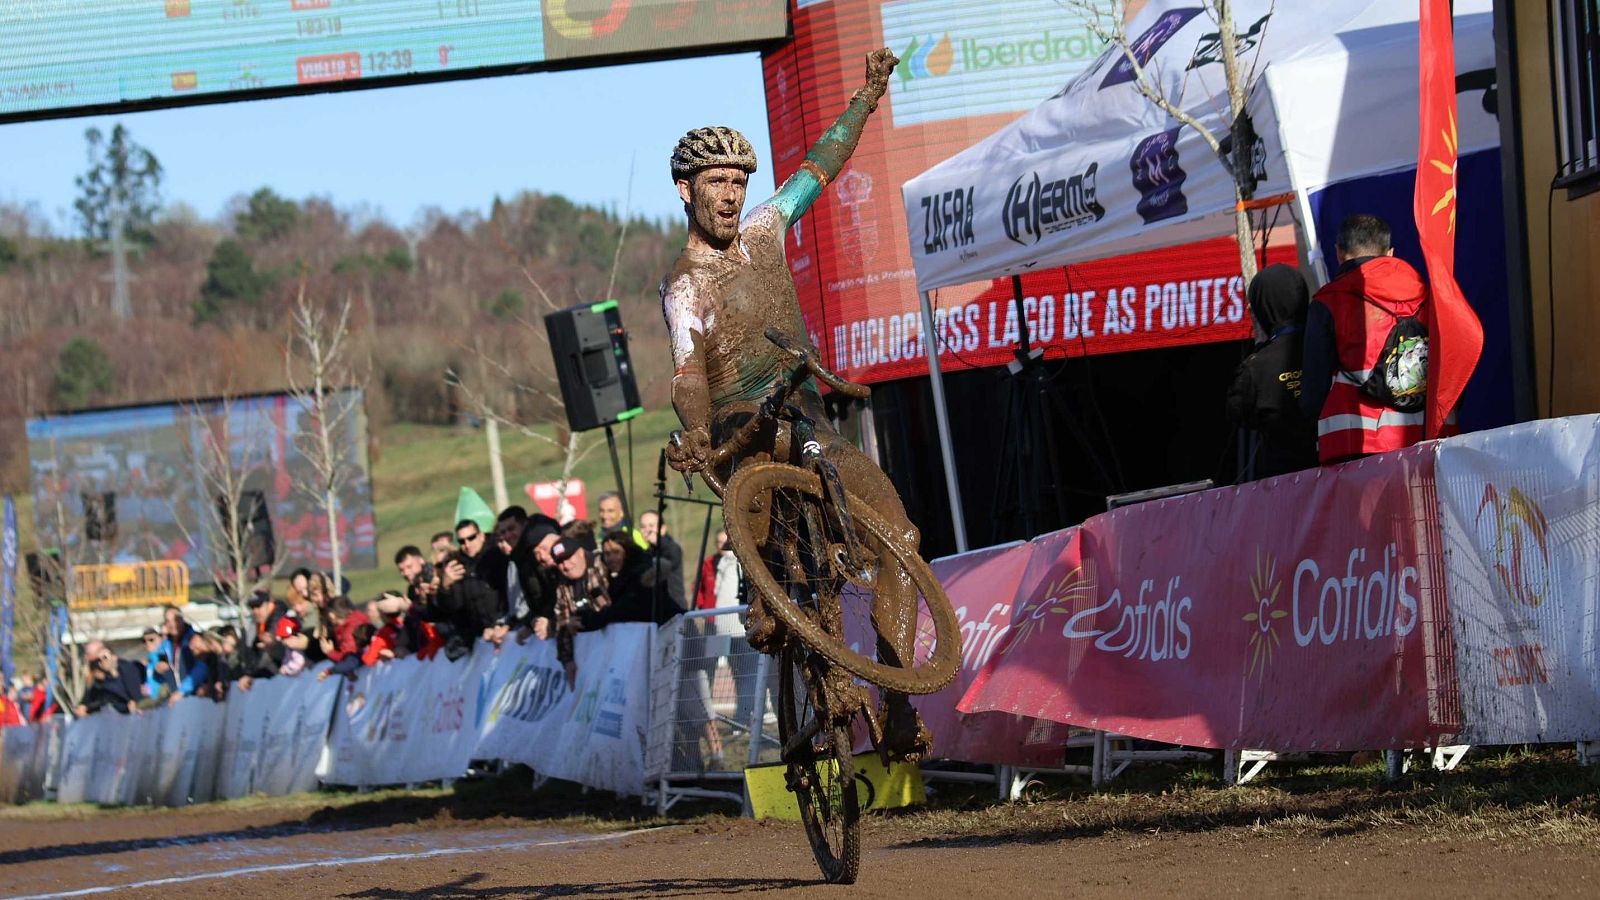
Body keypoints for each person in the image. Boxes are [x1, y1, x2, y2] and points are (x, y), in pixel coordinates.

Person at [660, 47, 928, 759]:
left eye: (738, 182)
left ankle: (897, 695)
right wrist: (696, 432)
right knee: (768, 529)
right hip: (743, 431)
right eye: (715, 181)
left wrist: (867, 97)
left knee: (900, 539)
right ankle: (769, 593)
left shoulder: (765, 229)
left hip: (807, 416)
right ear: (685, 191)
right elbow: (688, 375)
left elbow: (822, 166)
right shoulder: (684, 285)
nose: (730, 195)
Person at [1300, 214, 1431, 464]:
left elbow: (1313, 393)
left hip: (1356, 446)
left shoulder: (1329, 302)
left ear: (1339, 253)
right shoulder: (1428, 296)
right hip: (1428, 441)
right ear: (1390, 253)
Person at [1226, 264, 1319, 478]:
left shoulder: (1256, 366)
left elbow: (1238, 413)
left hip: (1281, 485)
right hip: (1333, 473)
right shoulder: (1326, 346)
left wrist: (1261, 346)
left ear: (1263, 307)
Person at [76, 641, 144, 715]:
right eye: (98, 661)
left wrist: (113, 672)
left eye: (104, 658)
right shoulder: (100, 680)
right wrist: (84, 707)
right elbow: (97, 699)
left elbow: (132, 696)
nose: (101, 663)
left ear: (113, 656)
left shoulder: (127, 668)